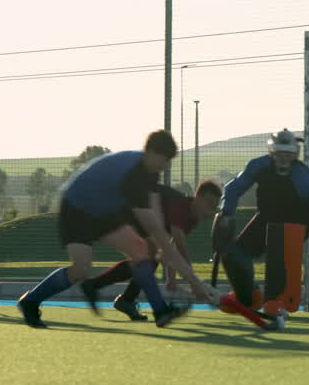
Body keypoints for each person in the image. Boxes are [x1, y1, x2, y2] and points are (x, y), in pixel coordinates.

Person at [16, 130, 215, 329]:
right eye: (163, 161)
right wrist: (194, 282)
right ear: (151, 152)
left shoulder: (150, 172)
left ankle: (160, 311)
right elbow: (159, 233)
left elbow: (155, 219)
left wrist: (169, 256)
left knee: (140, 250)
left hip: (104, 211)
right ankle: (30, 301)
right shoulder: (135, 176)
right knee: (80, 269)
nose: (164, 167)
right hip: (76, 207)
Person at [213, 128, 309, 317]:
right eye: (280, 152)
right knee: (234, 254)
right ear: (272, 151)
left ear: (295, 153)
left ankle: (276, 302)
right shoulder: (258, 165)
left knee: (278, 256)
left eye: (288, 153)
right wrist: (226, 213)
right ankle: (248, 297)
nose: (284, 157)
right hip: (268, 217)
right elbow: (234, 187)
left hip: (298, 222)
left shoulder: (302, 175)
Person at [81, 179, 222, 321]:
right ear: (198, 197)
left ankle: (120, 297)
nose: (210, 211)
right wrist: (194, 283)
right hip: (130, 208)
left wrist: (171, 278)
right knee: (146, 258)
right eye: (209, 204)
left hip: (146, 221)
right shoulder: (181, 206)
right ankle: (101, 289)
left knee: (149, 259)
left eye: (214, 206)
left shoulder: (193, 217)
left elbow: (171, 247)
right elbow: (179, 246)